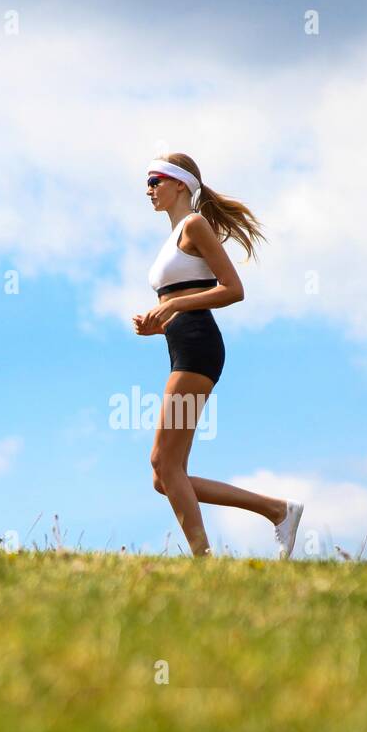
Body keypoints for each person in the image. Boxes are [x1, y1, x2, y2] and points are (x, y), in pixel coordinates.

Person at [133, 153, 304, 559]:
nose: (149, 189)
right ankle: (276, 509)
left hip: (198, 345)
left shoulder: (194, 224)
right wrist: (157, 321)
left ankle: (204, 560)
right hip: (182, 344)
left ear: (180, 184)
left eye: (156, 180)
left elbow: (233, 288)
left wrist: (174, 308)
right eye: (147, 182)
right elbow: (180, 298)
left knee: (163, 461)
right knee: (164, 475)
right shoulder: (173, 238)